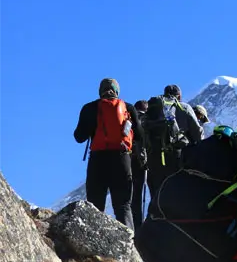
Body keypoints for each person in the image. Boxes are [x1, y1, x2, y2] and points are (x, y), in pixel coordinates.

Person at [73, 78, 142, 229]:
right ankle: (129, 248)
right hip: (122, 159)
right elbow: (140, 136)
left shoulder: (90, 108)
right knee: (123, 206)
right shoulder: (128, 108)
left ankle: (92, 246)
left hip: (98, 160)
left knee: (95, 206)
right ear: (117, 91)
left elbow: (79, 137)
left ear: (100, 91)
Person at [144, 85, 204, 217]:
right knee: (178, 193)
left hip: (154, 157)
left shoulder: (154, 110)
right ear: (179, 96)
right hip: (177, 156)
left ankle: (154, 225)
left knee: (157, 195)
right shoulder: (184, 107)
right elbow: (198, 134)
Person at [131, 100, 149, 230]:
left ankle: (131, 225)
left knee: (130, 196)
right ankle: (138, 228)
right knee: (138, 195)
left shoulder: (128, 119)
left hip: (125, 159)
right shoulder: (146, 120)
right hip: (140, 162)